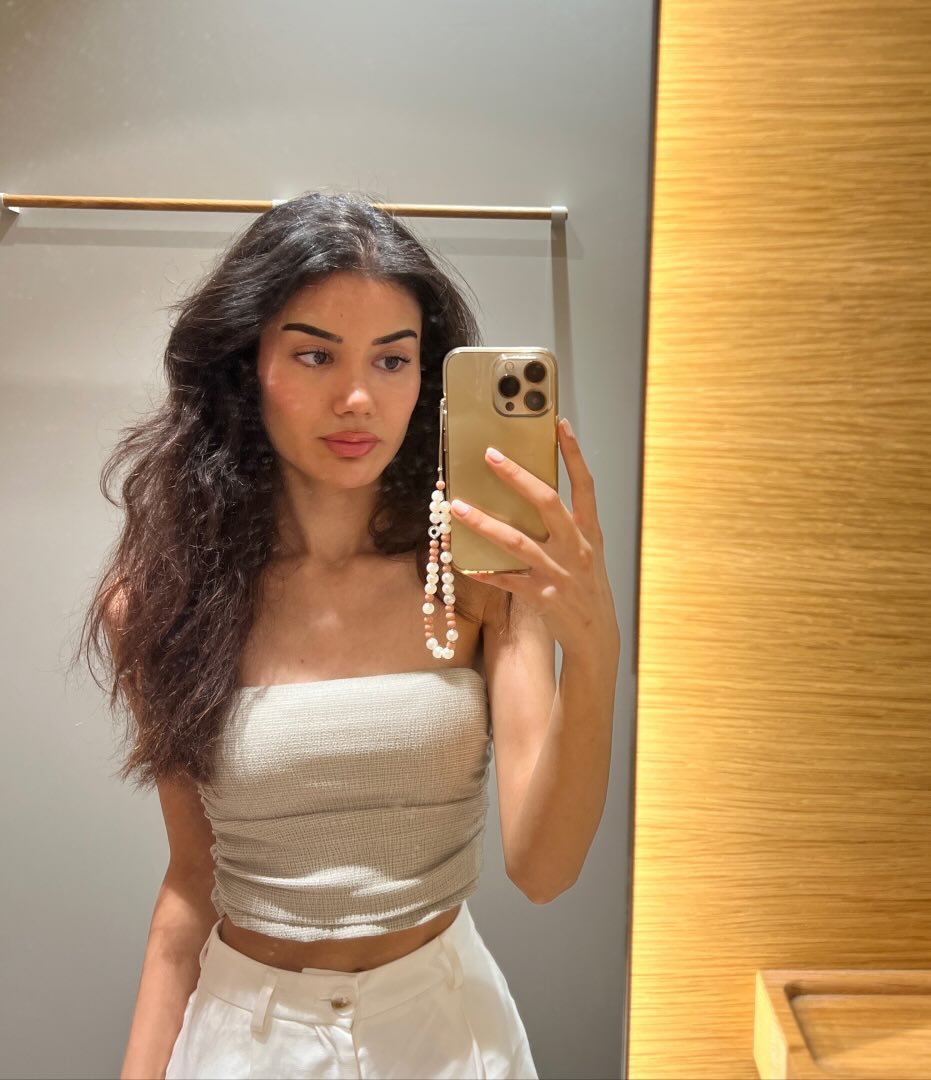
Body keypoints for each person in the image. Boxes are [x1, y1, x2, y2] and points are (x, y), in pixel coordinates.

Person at [77, 192, 620, 1080]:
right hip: (247, 1045)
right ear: (246, 365)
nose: (358, 397)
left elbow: (545, 868)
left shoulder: (482, 578)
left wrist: (596, 652)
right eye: (315, 354)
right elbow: (190, 882)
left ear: (426, 379)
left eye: (392, 359)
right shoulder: (164, 603)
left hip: (450, 1036)